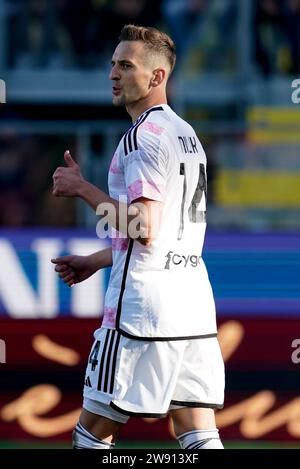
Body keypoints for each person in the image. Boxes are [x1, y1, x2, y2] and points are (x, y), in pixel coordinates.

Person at [51, 24, 225, 450]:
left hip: (141, 311)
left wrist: (82, 188)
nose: (113, 73)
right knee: (196, 432)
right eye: (112, 64)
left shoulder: (141, 138)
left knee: (91, 435)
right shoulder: (187, 136)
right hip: (193, 306)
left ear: (156, 77)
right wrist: (97, 259)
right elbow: (163, 234)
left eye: (126, 65)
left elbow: (143, 226)